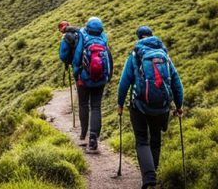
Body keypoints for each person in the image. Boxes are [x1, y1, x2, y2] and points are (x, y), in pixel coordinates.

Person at [117, 26, 184, 189]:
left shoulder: (134, 56)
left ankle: (149, 178)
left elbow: (124, 82)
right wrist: (179, 105)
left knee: (142, 141)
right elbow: (177, 84)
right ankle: (154, 172)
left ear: (138, 37)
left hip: (139, 105)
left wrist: (120, 104)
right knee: (155, 140)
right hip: (162, 107)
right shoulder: (165, 57)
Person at [72, 16, 113, 152]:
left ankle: (83, 134)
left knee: (83, 104)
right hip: (100, 79)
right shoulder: (104, 38)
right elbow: (109, 57)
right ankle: (93, 137)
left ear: (88, 27)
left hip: (84, 78)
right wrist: (108, 75)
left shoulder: (83, 37)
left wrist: (76, 72)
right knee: (96, 107)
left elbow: (78, 56)